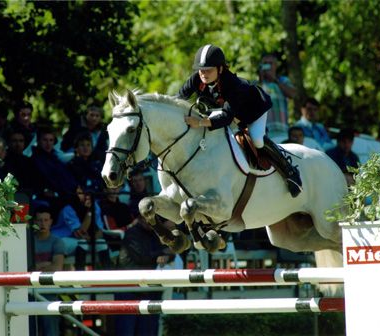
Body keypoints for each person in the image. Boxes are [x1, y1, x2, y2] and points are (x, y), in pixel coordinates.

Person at [178, 44, 302, 197]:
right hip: (224, 112)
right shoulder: (197, 79)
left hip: (252, 111)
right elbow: (178, 98)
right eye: (201, 70)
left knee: (257, 140)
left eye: (208, 70)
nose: (203, 74)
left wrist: (200, 122)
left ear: (221, 68)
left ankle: (290, 171)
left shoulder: (234, 85)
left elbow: (227, 117)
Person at [114, 218, 175, 336]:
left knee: (148, 331)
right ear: (140, 218)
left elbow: (171, 253)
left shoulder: (155, 233)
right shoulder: (132, 233)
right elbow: (142, 257)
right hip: (129, 288)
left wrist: (165, 255)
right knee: (127, 331)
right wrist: (163, 254)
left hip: (148, 288)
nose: (150, 222)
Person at [53, 186, 111, 270]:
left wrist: (93, 238)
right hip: (65, 238)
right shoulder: (69, 209)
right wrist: (90, 212)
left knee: (101, 243)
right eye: (80, 193)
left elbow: (100, 231)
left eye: (86, 193)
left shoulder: (95, 206)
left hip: (86, 238)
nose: (84, 196)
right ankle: (79, 276)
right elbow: (80, 233)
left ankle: (108, 276)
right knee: (82, 243)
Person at [32, 206, 65, 336]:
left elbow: (57, 268)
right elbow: (26, 268)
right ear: (34, 222)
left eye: (46, 220)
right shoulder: (28, 240)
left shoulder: (57, 241)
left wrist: (36, 266)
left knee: (50, 331)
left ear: (51, 221)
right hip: (29, 290)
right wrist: (47, 264)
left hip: (49, 291)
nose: (43, 223)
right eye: (39, 220)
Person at [258, 53, 296, 132]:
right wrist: (261, 79)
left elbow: (292, 94)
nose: (268, 66)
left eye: (270, 63)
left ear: (276, 65)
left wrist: (275, 80)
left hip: (282, 128)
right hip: (264, 130)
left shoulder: (283, 80)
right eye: (265, 63)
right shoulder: (257, 83)